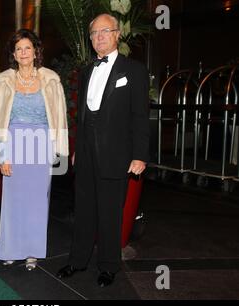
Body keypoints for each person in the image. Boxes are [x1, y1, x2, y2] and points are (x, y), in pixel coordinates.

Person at [56, 14, 150, 287]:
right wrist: (77, 150)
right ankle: (77, 260)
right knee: (84, 210)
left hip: (117, 155)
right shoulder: (86, 71)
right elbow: (83, 116)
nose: (99, 37)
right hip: (86, 154)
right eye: (94, 33)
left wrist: (140, 154)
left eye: (104, 31)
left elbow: (140, 117)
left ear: (117, 34)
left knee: (110, 213)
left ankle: (108, 266)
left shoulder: (134, 71)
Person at [0, 29, 68, 270]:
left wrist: (58, 147)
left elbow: (59, 117)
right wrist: (1, 154)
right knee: (13, 200)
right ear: (13, 55)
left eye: (28, 48)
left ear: (36, 51)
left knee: (38, 201)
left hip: (41, 145)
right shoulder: (3, 81)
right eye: (19, 49)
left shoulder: (51, 79)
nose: (24, 53)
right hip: (13, 143)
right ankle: (11, 249)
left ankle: (32, 251)